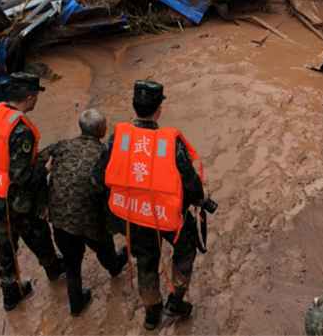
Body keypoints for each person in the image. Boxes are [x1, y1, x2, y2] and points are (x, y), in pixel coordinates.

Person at [93, 80, 207, 330]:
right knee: (186, 249)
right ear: (159, 110)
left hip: (132, 214)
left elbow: (100, 175)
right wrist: (199, 199)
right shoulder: (169, 143)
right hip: (166, 215)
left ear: (134, 106)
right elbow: (190, 183)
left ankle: (152, 313)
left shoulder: (119, 138)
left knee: (145, 259)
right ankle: (176, 301)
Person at [0, 72, 64, 311]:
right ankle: (53, 268)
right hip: (14, 199)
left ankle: (10, 293)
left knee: (5, 246)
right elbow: (22, 176)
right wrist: (45, 168)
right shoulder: (22, 131)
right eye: (36, 96)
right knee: (37, 233)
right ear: (29, 98)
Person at [40, 109, 128, 316]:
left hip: (60, 219)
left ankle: (76, 302)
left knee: (72, 263)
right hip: (90, 221)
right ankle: (114, 267)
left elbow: (37, 161)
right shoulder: (105, 154)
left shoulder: (61, 146)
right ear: (101, 130)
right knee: (104, 248)